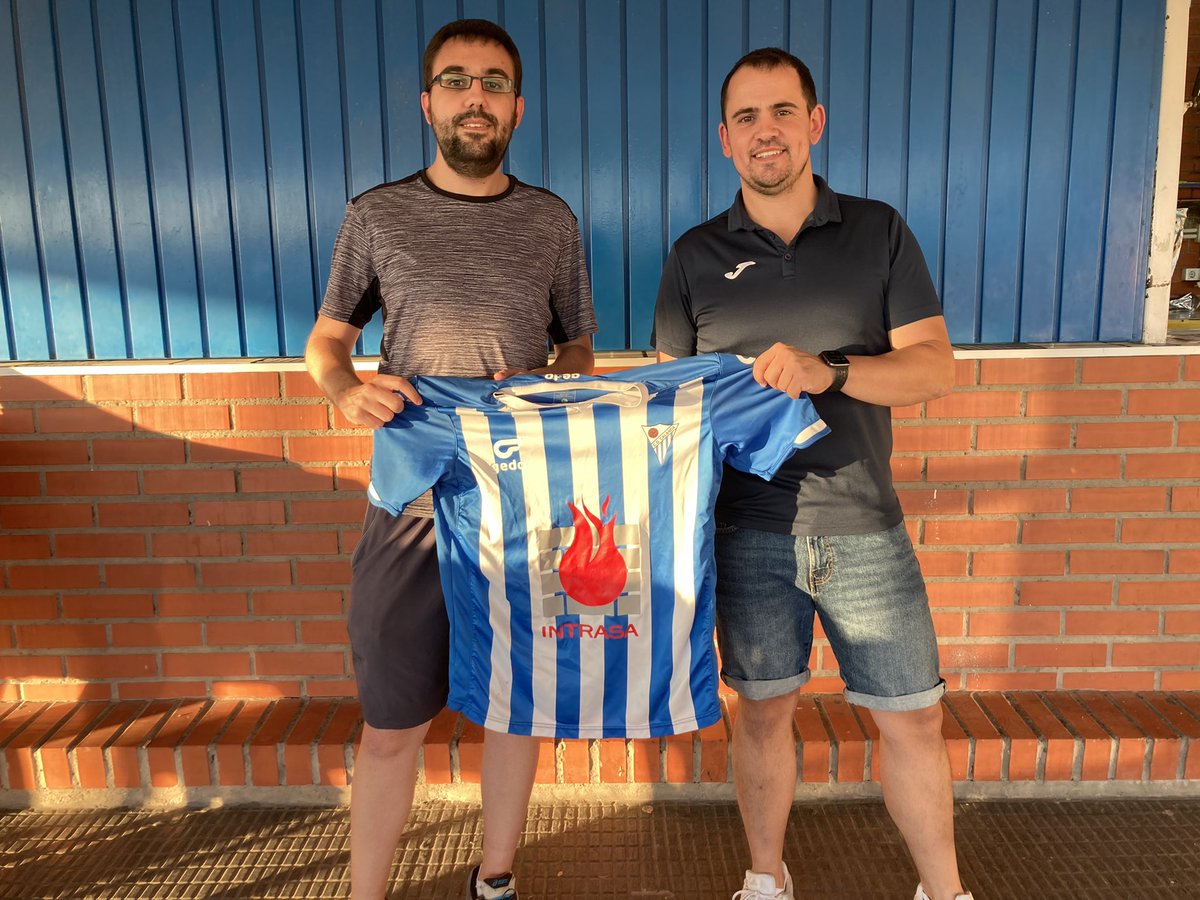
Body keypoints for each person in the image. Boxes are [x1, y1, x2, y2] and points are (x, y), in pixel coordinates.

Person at [653, 48, 973, 900]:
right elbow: (668, 407)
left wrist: (826, 370)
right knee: (761, 716)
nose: (766, 132)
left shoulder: (879, 231)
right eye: (747, 118)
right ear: (725, 138)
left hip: (865, 525)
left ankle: (946, 892)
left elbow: (934, 368)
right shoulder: (693, 255)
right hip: (747, 533)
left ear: (815, 123)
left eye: (783, 112)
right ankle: (766, 880)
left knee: (913, 718)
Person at [304, 19, 596, 900]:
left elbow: (579, 348)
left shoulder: (550, 221)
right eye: (459, 81)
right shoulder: (376, 215)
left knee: (515, 708)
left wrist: (554, 379)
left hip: (522, 501)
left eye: (495, 82)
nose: (477, 98)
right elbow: (328, 341)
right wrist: (345, 390)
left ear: (518, 107)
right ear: (428, 102)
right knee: (392, 721)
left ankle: (495, 880)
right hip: (413, 498)